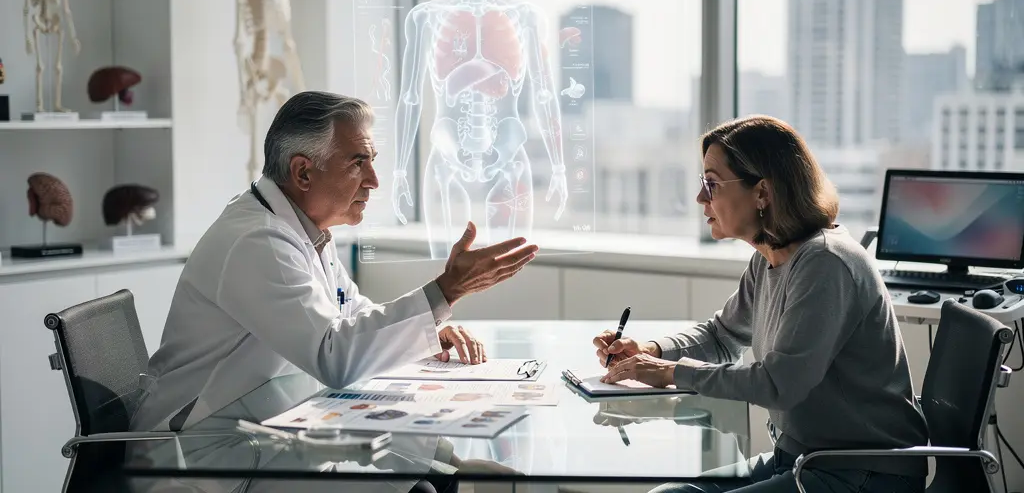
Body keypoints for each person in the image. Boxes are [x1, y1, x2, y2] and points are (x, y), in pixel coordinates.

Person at [131, 91, 539, 434]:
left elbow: (352, 315)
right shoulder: (258, 241)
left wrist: (429, 328)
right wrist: (448, 290)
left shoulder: (301, 230)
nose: (374, 180)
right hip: (192, 448)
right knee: (415, 468)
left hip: (258, 425)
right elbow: (335, 358)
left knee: (421, 465)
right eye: (358, 162)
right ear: (303, 173)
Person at [592, 116, 929, 493]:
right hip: (803, 459)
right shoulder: (771, 256)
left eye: (712, 184)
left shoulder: (825, 263)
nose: (701, 198)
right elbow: (723, 336)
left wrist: (669, 372)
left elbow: (778, 384)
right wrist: (652, 352)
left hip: (862, 473)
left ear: (762, 193)